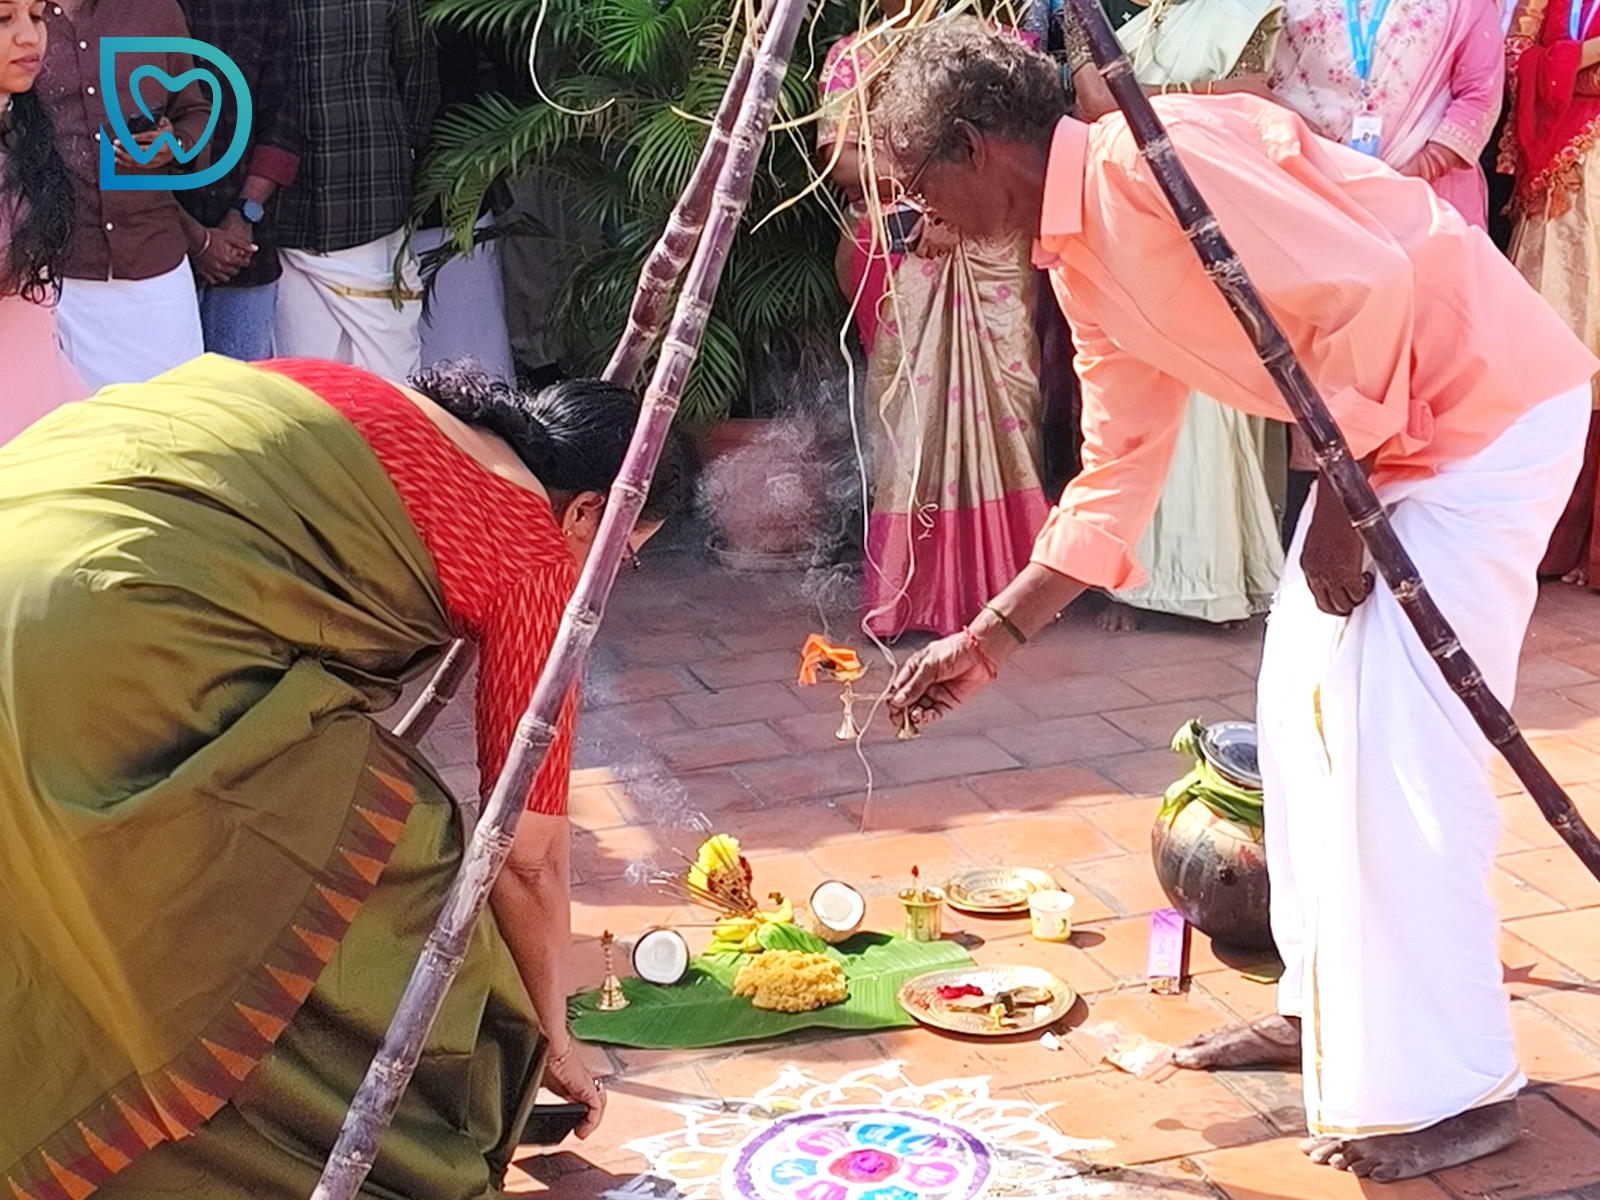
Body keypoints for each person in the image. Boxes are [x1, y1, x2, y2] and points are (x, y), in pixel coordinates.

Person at [876, 19, 1595, 1181]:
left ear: (976, 146)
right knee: (1302, 728)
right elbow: (1116, 470)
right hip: (1391, 451)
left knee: (1402, 752)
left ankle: (1462, 1086)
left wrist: (1336, 506)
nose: (924, 221)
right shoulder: (1080, 247)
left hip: (1479, 420)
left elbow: (1372, 285)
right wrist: (989, 636)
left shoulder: (1147, 162)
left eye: (918, 188)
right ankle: (1322, 1008)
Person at [0, 354, 689, 1199]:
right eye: (627, 556)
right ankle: (319, 1147)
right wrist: (554, 1038)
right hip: (113, 617)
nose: (612, 579)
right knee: (402, 860)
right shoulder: (538, 553)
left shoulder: (400, 406)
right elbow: (528, 856)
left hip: (35, 509)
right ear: (587, 513)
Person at [818, 8, 1051, 639]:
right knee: (906, 417)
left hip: (991, 243)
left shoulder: (996, 46)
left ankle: (1017, 589)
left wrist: (954, 201)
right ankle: (908, 594)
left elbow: (1024, 150)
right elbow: (840, 158)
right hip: (897, 249)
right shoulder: (855, 54)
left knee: (1008, 402)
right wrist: (931, 191)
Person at [1065, 0, 1287, 631]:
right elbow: (1091, 99)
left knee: (1213, 400)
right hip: (1128, 214)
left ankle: (1217, 581)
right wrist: (1195, 97)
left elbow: (1254, 98)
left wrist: (1145, 95)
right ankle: (1135, 588)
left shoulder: (1243, 12)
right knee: (1135, 395)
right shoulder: (1103, 12)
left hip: (1211, 205)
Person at [37, 0, 208, 392]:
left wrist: (175, 145)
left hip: (154, 269)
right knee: (77, 442)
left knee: (176, 429)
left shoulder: (154, 10)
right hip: (60, 277)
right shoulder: (20, 16)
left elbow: (194, 110)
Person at [274, 0, 438, 378]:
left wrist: (396, 153)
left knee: (387, 379)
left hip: (366, 207)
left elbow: (419, 80)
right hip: (296, 214)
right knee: (311, 384)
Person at [1503, 0, 1600, 589]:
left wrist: (1563, 63)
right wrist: (1584, 58)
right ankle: (1543, 535)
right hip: (1557, 187)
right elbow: (1518, 63)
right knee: (1549, 340)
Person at [176, 0, 301, 361]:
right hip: (161, 254)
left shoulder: (263, 8)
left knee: (242, 407)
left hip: (244, 250)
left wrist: (244, 216)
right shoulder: (142, 10)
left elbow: (281, 124)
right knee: (165, 407)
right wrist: (197, 240)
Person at [0, 0, 82, 441]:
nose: (30, 36)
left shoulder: (24, 133)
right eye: (3, 18)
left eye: (36, 15)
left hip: (43, 398)